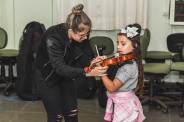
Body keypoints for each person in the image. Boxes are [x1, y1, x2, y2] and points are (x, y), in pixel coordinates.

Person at [33, 4, 108, 122]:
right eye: (81, 35)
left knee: (72, 113)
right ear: (70, 30)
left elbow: (84, 56)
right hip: (47, 75)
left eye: (87, 34)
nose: (85, 38)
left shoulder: (82, 35)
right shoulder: (53, 36)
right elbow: (59, 68)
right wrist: (88, 72)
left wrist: (93, 62)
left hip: (67, 72)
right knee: (56, 116)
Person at [100, 24, 146, 122]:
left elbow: (112, 87)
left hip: (123, 106)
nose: (119, 47)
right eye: (118, 43)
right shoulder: (129, 59)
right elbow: (113, 60)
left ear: (135, 45)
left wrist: (102, 73)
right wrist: (105, 58)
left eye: (123, 44)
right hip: (126, 100)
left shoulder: (127, 67)